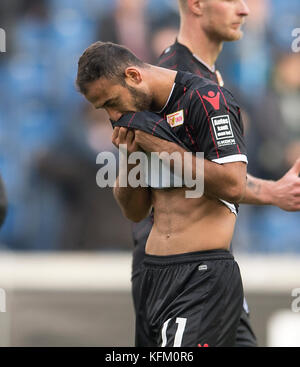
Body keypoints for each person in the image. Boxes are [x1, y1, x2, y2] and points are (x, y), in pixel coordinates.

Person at [113, 0, 300, 347]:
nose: (243, 9)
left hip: (212, 272)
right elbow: (162, 182)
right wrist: (270, 192)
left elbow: (209, 174)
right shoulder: (166, 83)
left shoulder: (208, 76)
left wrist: (272, 190)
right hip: (176, 276)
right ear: (197, 4)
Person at [76, 41, 248, 346]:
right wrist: (131, 157)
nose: (113, 115)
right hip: (153, 276)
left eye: (112, 102)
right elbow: (136, 211)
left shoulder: (205, 99)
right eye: (104, 109)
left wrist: (165, 150)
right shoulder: (136, 116)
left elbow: (234, 185)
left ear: (133, 75)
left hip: (200, 275)